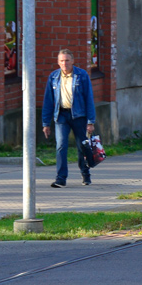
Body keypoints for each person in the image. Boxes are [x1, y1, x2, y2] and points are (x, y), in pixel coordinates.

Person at [41, 49, 97, 188]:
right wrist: (46, 123)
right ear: (58, 62)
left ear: (72, 61)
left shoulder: (81, 75)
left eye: (67, 60)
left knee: (82, 146)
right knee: (61, 146)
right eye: (61, 61)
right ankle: (61, 178)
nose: (64, 63)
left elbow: (89, 98)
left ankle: (85, 173)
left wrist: (90, 121)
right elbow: (48, 101)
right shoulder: (54, 77)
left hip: (79, 116)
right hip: (61, 116)